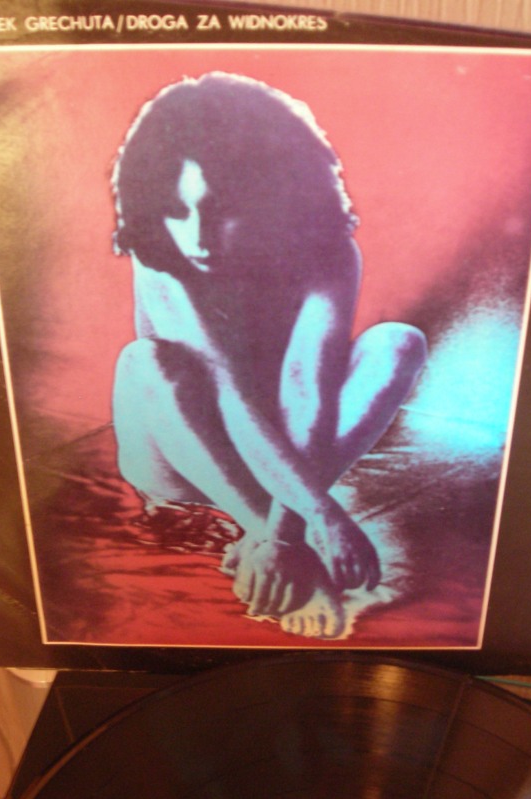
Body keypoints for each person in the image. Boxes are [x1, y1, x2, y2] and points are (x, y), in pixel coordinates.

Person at [111, 72, 426, 638]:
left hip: (282, 453)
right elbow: (226, 394)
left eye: (221, 209)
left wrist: (290, 531)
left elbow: (308, 387)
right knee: (145, 364)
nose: (198, 236)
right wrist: (305, 524)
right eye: (176, 210)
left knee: (398, 343)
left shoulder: (326, 250)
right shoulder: (162, 255)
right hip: (188, 459)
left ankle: (274, 536)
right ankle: (265, 533)